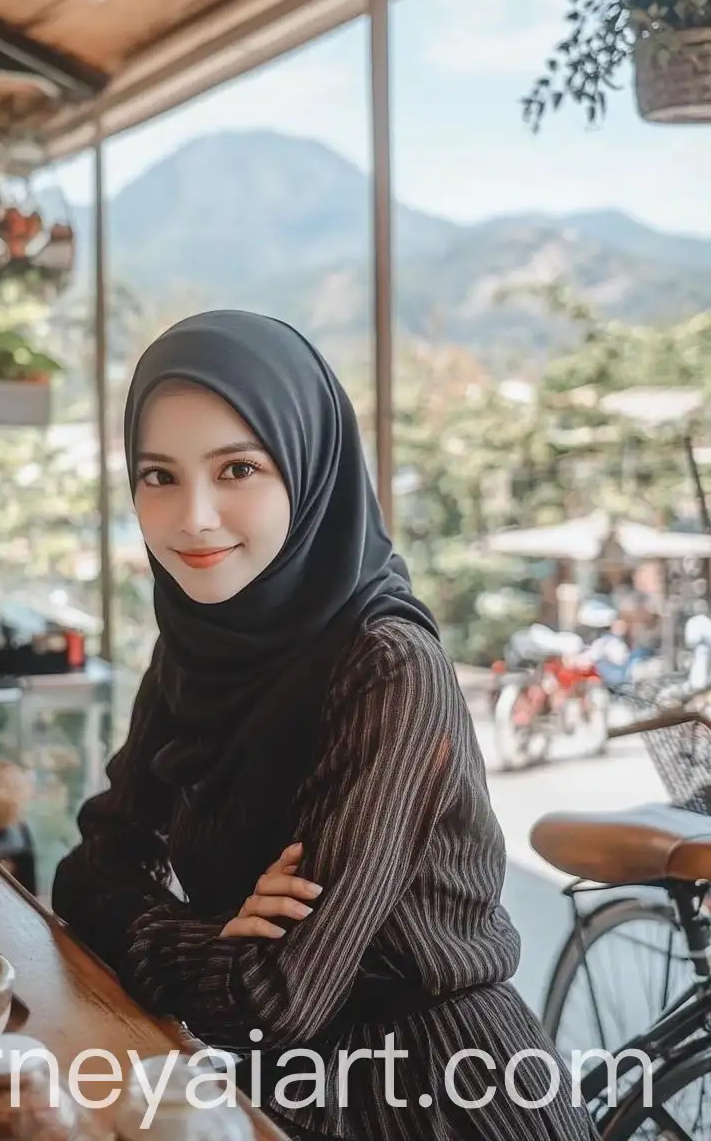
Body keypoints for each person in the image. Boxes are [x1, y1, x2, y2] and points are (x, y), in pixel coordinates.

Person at [50, 311, 590, 1139]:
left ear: (310, 466)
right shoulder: (195, 649)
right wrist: (215, 935)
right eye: (158, 476)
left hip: (444, 1093)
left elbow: (276, 998)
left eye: (237, 468)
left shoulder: (388, 665)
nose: (192, 517)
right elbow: (86, 874)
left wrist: (167, 930)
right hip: (283, 1098)